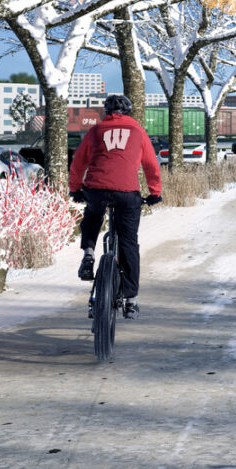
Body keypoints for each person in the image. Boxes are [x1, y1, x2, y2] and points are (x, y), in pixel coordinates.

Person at [69, 94, 163, 319]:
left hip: (96, 189)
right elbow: (151, 165)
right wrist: (155, 193)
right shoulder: (138, 131)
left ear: (106, 112)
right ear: (128, 112)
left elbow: (78, 163)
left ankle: (89, 253)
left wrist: (75, 189)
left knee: (92, 214)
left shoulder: (95, 131)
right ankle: (131, 301)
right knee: (129, 243)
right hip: (127, 192)